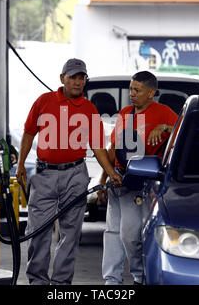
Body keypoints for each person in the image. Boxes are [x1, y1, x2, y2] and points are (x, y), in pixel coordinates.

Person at [16, 58, 122, 285]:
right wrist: (21, 163)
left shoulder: (90, 109)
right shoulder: (44, 101)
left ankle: (61, 285)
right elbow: (28, 133)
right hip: (45, 175)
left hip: (75, 174)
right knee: (38, 231)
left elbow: (97, 146)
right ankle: (37, 281)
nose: (77, 81)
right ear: (62, 78)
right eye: (72, 77)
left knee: (70, 233)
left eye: (81, 77)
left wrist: (110, 172)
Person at [99, 71, 178, 285]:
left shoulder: (165, 113)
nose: (131, 94)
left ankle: (139, 276)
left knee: (131, 235)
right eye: (131, 89)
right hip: (117, 181)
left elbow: (181, 134)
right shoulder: (125, 113)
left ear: (151, 93)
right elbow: (114, 147)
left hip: (142, 184)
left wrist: (164, 128)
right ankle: (111, 281)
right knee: (112, 233)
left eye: (137, 90)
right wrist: (103, 178)